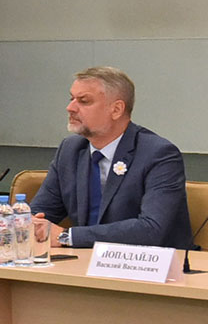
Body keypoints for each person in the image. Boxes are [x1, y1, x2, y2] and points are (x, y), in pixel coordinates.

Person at [29, 67, 190, 250]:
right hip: (83, 260)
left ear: (116, 109)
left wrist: (67, 236)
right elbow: (41, 213)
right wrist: (30, 225)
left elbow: (151, 229)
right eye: (71, 99)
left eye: (84, 101)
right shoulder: (70, 149)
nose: (70, 108)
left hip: (149, 263)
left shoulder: (159, 154)